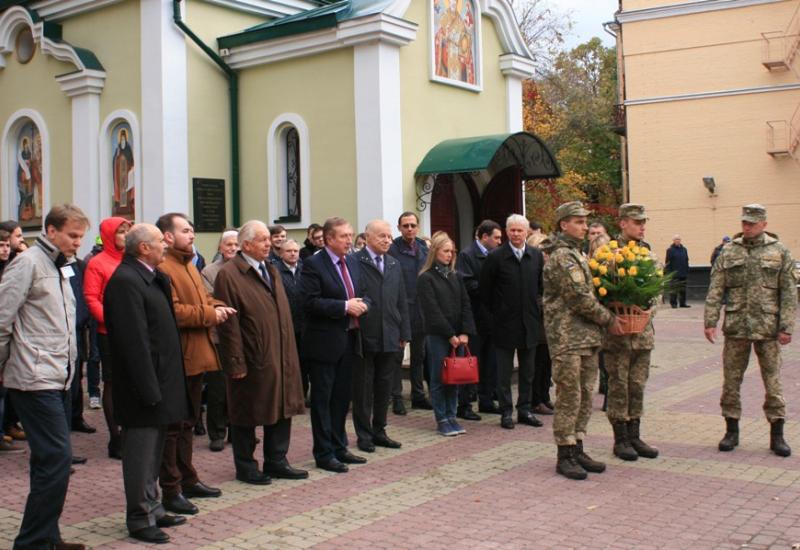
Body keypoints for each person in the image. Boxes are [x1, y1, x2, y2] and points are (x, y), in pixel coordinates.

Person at [0, 204, 90, 550]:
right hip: (33, 378)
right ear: (50, 231)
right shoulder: (27, 263)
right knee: (57, 459)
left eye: (80, 236)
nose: (77, 243)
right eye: (72, 235)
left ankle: (46, 537)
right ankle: (33, 542)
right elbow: (3, 317)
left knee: (46, 461)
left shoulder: (62, 265)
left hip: (60, 376)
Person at [104, 224, 191, 544]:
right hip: (143, 387)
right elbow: (134, 343)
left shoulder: (152, 277)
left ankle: (153, 507)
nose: (165, 245)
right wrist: (148, 388)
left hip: (161, 381)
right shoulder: (126, 281)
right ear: (143, 248)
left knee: (154, 453)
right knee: (140, 455)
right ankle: (139, 518)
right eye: (160, 241)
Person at [214, 221, 308, 483]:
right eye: (263, 240)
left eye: (269, 239)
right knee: (247, 412)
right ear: (246, 245)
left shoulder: (271, 269)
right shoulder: (230, 274)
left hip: (279, 353)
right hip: (252, 356)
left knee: (282, 407)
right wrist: (235, 362)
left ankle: (277, 460)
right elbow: (229, 325)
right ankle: (246, 466)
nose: (269, 244)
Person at [704, 204, 796, 457]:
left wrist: (787, 327)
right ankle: (731, 430)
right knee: (731, 381)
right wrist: (710, 321)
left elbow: (789, 293)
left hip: (768, 329)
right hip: (737, 327)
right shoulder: (729, 251)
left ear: (764, 224)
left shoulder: (779, 252)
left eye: (752, 223)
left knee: (773, 383)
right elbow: (715, 289)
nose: (747, 227)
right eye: (744, 222)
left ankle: (777, 434)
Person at [155, 213, 231, 513]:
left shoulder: (190, 264)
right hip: (179, 357)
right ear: (168, 236)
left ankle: (188, 478)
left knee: (187, 423)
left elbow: (202, 300)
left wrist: (219, 306)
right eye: (185, 230)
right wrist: (210, 315)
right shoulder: (165, 267)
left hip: (197, 355)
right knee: (174, 426)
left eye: (193, 229)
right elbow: (174, 312)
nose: (192, 235)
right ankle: (171, 488)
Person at [542, 201, 623, 480]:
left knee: (586, 394)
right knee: (569, 396)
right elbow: (578, 298)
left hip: (586, 337)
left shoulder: (577, 253)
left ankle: (577, 445)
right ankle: (564, 453)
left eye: (585, 222)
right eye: (578, 221)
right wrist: (610, 319)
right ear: (564, 224)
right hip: (567, 338)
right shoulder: (562, 257)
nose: (585, 226)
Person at [300, 217, 369, 473]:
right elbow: (309, 302)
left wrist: (365, 305)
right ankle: (324, 452)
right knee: (323, 401)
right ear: (329, 239)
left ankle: (340, 447)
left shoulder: (352, 261)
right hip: (324, 343)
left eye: (351, 235)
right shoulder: (313, 264)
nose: (349, 241)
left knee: (342, 399)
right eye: (344, 236)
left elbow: (363, 292)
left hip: (350, 340)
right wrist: (343, 307)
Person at [603, 204, 660, 461]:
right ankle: (620, 438)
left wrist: (650, 312)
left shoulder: (648, 253)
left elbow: (658, 289)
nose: (642, 226)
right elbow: (602, 290)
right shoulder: (608, 254)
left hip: (643, 333)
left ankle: (635, 434)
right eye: (637, 222)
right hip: (619, 335)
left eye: (643, 222)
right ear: (623, 223)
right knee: (619, 385)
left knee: (637, 385)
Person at [480, 214, 545, 430]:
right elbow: (485, 292)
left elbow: (541, 288)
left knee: (528, 372)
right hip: (504, 325)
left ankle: (524, 410)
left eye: (520, 230)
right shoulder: (496, 257)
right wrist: (493, 319)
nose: (516, 234)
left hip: (530, 324)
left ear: (527, 232)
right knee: (504, 373)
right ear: (507, 232)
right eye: (512, 230)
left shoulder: (536, 256)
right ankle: (506, 412)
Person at [352, 220, 410, 452]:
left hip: (390, 335)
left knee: (384, 387)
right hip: (365, 335)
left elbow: (401, 301)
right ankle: (363, 434)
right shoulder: (354, 262)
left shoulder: (394, 263)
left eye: (389, 236)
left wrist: (404, 331)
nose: (387, 240)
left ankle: (380, 430)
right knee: (364, 389)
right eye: (381, 236)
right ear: (367, 237)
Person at [417, 232, 476, 437]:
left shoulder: (456, 276)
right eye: (446, 251)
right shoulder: (426, 278)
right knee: (439, 378)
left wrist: (465, 332)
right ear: (435, 252)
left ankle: (452, 416)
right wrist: (450, 334)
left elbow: (466, 305)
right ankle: (441, 418)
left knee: (455, 377)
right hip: (438, 336)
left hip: (459, 337)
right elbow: (432, 310)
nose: (450, 255)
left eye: (452, 251)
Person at [83, 217, 131, 459]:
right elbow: (91, 298)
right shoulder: (97, 263)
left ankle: (131, 431)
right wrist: (112, 321)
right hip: (109, 332)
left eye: (127, 231)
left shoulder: (131, 260)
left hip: (133, 332)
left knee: (131, 382)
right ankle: (116, 438)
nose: (125, 235)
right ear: (110, 235)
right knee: (112, 383)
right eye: (121, 232)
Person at [456, 220, 502, 419]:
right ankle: (464, 405)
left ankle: (486, 400)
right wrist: (491, 289)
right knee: (470, 362)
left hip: (492, 318)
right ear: (484, 237)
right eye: (497, 237)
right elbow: (466, 284)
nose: (500, 242)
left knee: (490, 362)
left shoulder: (497, 256)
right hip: (474, 318)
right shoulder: (467, 255)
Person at [388, 211, 431, 414]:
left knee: (419, 356)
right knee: (397, 356)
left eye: (413, 225)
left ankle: (418, 395)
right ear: (399, 228)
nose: (410, 229)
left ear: (418, 226)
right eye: (405, 226)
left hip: (421, 310)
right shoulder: (392, 249)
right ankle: (396, 397)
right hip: (400, 310)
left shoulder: (423, 248)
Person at [201, 229, 239, 451]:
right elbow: (209, 300)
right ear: (220, 248)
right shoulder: (210, 271)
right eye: (228, 245)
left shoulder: (246, 269)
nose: (233, 248)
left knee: (241, 387)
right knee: (218, 389)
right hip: (219, 337)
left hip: (242, 337)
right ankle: (217, 432)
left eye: (236, 245)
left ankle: (238, 430)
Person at [274, 239, 309, 404]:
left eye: (296, 250)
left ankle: (302, 394)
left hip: (305, 324)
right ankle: (290, 395)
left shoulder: (306, 269)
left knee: (305, 361)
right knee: (289, 361)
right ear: (281, 253)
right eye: (289, 251)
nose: (293, 253)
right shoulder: (275, 271)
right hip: (286, 324)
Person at [665, 234, 690, 308]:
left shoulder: (684, 249)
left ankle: (683, 303)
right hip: (674, 273)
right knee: (674, 290)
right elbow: (668, 262)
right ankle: (673, 303)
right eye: (676, 239)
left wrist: (687, 269)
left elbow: (686, 259)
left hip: (683, 273)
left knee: (683, 290)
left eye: (678, 239)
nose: (677, 240)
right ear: (673, 241)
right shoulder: (670, 250)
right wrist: (669, 273)